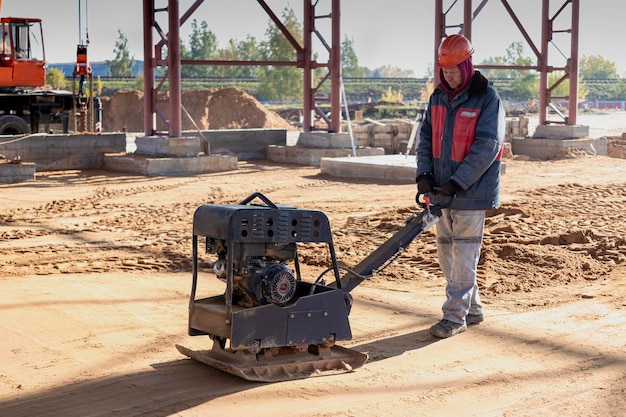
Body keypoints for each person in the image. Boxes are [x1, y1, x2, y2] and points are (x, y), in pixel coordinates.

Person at [416, 34, 505, 338]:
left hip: (471, 192)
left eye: (454, 70)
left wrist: (458, 182)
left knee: (464, 255)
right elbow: (426, 138)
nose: (449, 76)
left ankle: (454, 318)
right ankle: (473, 308)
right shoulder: (438, 97)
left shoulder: (487, 99)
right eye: (445, 71)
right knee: (446, 254)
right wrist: (424, 174)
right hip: (442, 192)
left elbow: (488, 146)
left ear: (467, 65)